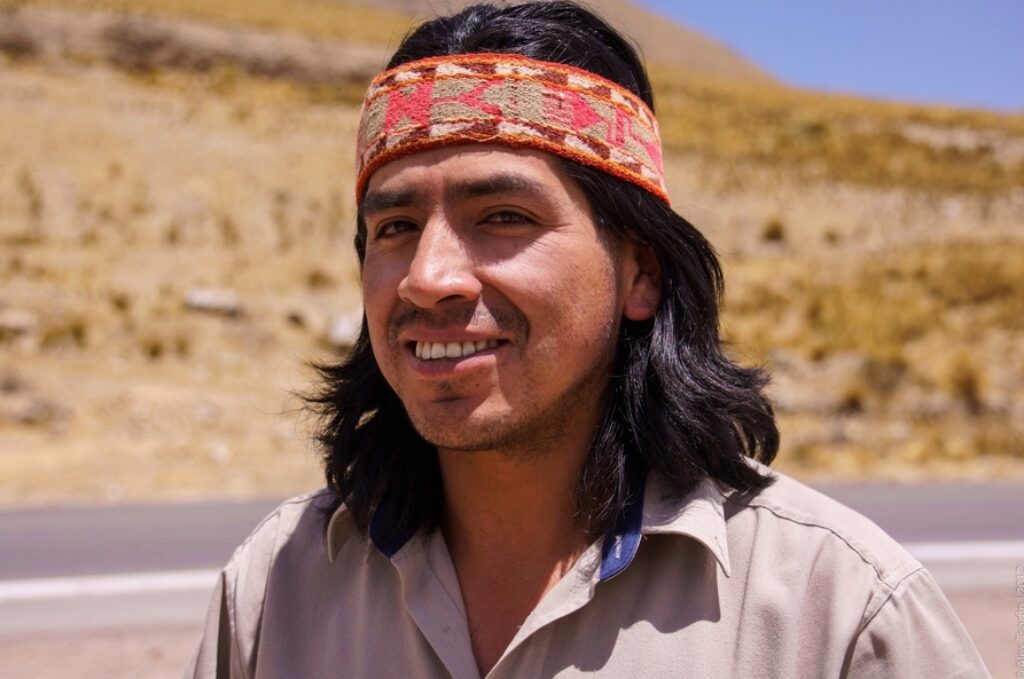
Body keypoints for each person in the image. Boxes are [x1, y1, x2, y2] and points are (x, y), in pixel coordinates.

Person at [188, 2, 989, 677]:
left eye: (503, 217)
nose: (427, 276)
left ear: (639, 272)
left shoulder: (838, 612)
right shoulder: (279, 587)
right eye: (394, 227)